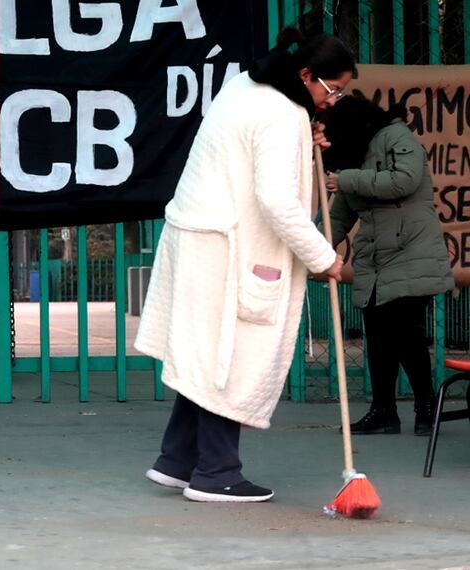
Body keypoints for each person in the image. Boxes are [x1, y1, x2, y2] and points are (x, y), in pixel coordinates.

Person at [135, 27, 353, 503]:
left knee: (205, 353)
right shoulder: (279, 112)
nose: (333, 101)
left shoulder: (249, 88)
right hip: (227, 248)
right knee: (229, 358)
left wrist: (304, 135)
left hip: (203, 236)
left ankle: (177, 460)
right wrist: (324, 258)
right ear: (305, 74)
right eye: (331, 90)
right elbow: (276, 200)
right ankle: (216, 473)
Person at [322, 98, 454, 436]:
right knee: (379, 334)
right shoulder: (355, 157)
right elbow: (340, 216)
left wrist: (349, 179)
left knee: (404, 331)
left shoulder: (396, 137)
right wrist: (310, 245)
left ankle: (426, 408)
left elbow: (404, 180)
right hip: (377, 259)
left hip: (412, 251)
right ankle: (384, 412)